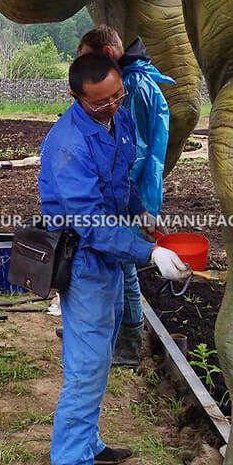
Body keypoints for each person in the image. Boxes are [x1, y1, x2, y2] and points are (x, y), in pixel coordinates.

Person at [39, 53, 189, 465]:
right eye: (100, 104)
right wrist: (150, 251)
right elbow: (91, 224)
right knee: (85, 367)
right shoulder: (67, 145)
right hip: (84, 259)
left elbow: (120, 183)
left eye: (116, 97)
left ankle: (89, 443)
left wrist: (138, 213)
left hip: (111, 253)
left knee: (101, 354)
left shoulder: (118, 119)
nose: (111, 108)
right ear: (76, 98)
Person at [78, 25, 174, 366]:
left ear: (106, 56)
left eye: (86, 61)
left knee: (123, 265)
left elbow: (131, 151)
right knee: (109, 261)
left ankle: (129, 343)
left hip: (129, 191)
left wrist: (120, 197)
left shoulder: (130, 87)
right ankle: (105, 331)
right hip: (129, 188)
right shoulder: (135, 80)